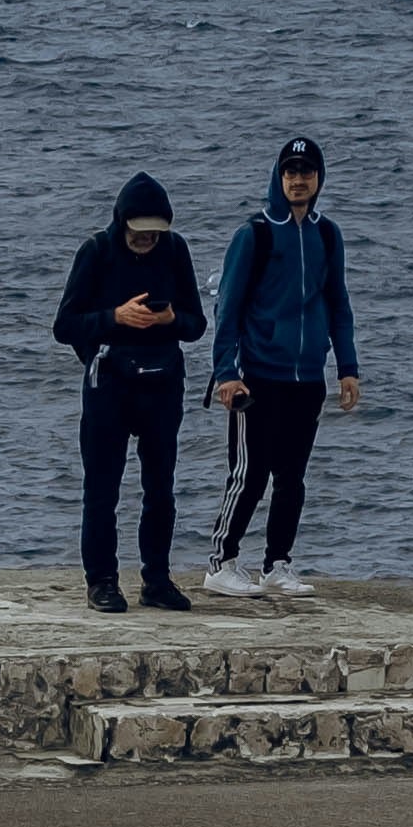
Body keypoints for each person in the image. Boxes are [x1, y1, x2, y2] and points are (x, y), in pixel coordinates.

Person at [201, 135, 360, 592]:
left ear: (318, 179)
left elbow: (338, 304)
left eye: (306, 172)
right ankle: (221, 563)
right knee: (249, 474)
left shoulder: (327, 234)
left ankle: (277, 564)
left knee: (291, 477)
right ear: (279, 176)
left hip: (307, 377)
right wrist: (227, 374)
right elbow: (227, 310)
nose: (298, 180)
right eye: (290, 171)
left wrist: (347, 366)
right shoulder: (255, 233)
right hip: (258, 376)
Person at [50, 170, 203, 612]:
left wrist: (169, 320)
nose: (147, 241)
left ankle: (156, 579)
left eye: (155, 234)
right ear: (123, 224)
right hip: (108, 386)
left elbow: (196, 324)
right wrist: (115, 318)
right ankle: (101, 581)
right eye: (139, 234)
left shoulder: (176, 251)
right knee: (102, 489)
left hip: (162, 383)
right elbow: (64, 326)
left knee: (161, 489)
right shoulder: (96, 252)